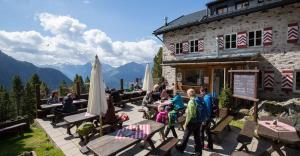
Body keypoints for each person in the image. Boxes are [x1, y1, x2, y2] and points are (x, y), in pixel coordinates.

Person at [175, 89, 202, 155]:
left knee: (186, 136)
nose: (187, 94)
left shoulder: (191, 101)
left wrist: (186, 123)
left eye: (187, 93)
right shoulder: (198, 99)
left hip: (192, 122)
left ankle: (181, 147)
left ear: (189, 94)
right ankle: (198, 151)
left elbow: (190, 114)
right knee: (197, 136)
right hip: (199, 121)